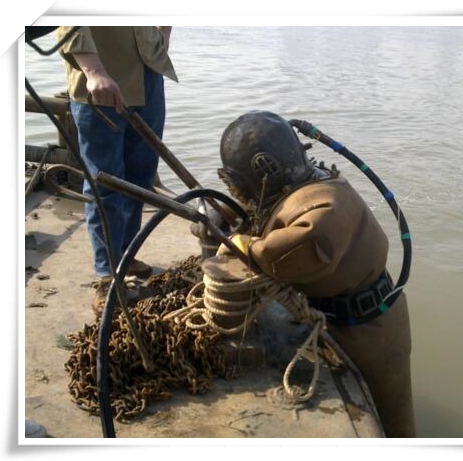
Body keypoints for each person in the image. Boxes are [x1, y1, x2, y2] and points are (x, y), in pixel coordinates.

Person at [214, 110, 416, 437]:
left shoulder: (322, 216)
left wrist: (238, 241)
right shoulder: (314, 180)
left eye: (238, 185)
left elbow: (274, 255)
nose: (241, 193)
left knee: (394, 420)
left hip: (369, 332)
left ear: (264, 169)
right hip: (354, 313)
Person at [56, 26, 178, 313]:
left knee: (141, 177)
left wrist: (163, 32)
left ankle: (125, 254)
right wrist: (93, 71)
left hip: (148, 71)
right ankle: (107, 274)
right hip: (101, 78)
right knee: (107, 184)